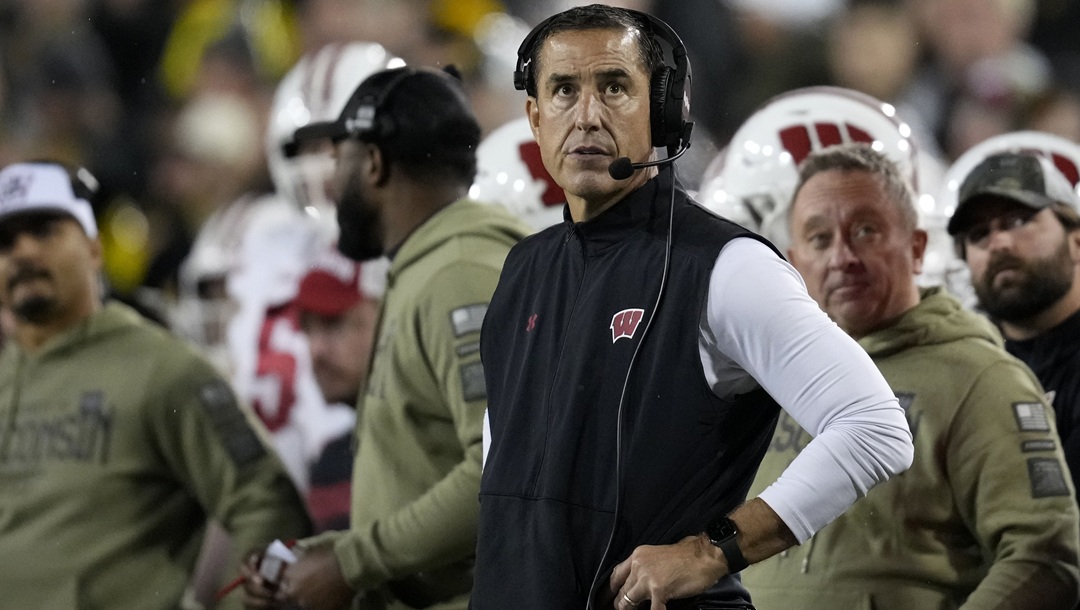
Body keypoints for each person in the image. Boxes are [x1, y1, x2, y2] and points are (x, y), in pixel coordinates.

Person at [473, 6, 914, 609]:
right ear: (535, 116)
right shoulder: (522, 270)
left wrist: (714, 550)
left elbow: (876, 427)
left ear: (661, 111)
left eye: (615, 87)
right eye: (564, 91)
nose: (587, 115)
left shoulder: (727, 266)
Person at [241, 64, 532, 610]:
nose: (333, 176)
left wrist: (351, 563)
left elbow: (503, 472)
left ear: (373, 163)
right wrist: (326, 555)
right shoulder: (428, 265)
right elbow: (427, 465)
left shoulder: (459, 274)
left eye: (339, 157)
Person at [741, 142, 1080, 609]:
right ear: (795, 265)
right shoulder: (760, 379)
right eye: (820, 238)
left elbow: (1046, 557)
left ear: (917, 248)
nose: (843, 257)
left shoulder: (983, 378)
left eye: (865, 231)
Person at [0, 160, 312, 610]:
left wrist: (238, 604)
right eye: (5, 241)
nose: (23, 252)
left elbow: (269, 504)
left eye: (45, 230)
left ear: (92, 248)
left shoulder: (162, 367)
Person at [947, 149, 1080, 499]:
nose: (999, 243)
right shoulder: (961, 365)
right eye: (978, 234)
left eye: (1019, 221)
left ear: (1076, 240)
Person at [293, 247, 385, 533]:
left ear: (387, 315)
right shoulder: (331, 461)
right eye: (307, 327)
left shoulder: (430, 446)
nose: (315, 349)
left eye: (334, 322)